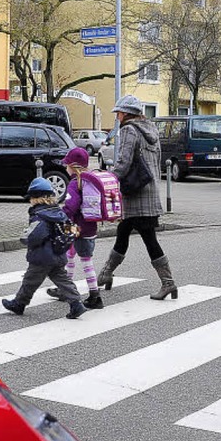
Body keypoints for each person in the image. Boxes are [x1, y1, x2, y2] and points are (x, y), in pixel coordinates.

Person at [97, 94, 177, 300]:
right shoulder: (151, 130)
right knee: (123, 231)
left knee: (149, 239)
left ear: (126, 114)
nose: (117, 117)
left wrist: (107, 179)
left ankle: (168, 283)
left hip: (135, 192)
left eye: (119, 113)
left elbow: (123, 162)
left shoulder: (129, 130)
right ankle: (106, 274)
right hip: (147, 191)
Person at [2, 177, 87, 319]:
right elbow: (70, 229)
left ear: (35, 199)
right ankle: (76, 303)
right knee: (63, 281)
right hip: (58, 253)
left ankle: (19, 304)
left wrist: (26, 238)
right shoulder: (59, 212)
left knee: (29, 281)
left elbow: (36, 236)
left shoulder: (39, 215)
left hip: (42, 257)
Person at [47, 147, 104, 309]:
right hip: (90, 227)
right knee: (70, 254)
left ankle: (94, 295)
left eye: (67, 164)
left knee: (82, 261)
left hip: (75, 227)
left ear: (73, 166)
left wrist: (60, 216)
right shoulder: (90, 180)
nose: (65, 167)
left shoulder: (74, 183)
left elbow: (70, 206)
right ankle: (66, 289)